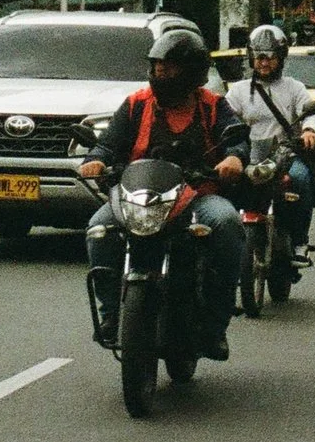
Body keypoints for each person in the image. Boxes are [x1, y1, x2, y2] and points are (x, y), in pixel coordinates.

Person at [78, 26, 249, 359]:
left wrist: (233, 157)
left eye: (168, 68)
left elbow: (237, 140)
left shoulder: (213, 106)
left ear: (191, 71)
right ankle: (112, 314)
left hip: (197, 196)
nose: (160, 74)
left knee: (228, 223)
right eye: (156, 67)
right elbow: (107, 144)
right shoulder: (137, 104)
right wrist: (95, 161)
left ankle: (215, 326)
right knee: (99, 230)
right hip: (139, 197)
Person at [224, 23, 315, 258]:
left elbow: (310, 112)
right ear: (251, 58)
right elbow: (225, 119)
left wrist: (309, 130)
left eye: (270, 56)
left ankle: (300, 241)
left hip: (285, 155)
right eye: (259, 56)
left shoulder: (294, 87)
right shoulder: (238, 91)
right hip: (249, 155)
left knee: (300, 178)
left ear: (280, 58)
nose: (264, 62)